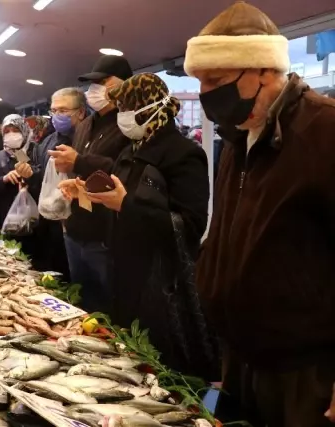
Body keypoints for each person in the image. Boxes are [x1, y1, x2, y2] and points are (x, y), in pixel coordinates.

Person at [184, 2, 335, 425]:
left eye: (215, 80)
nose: (206, 94)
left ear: (264, 70)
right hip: (241, 354)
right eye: (200, 82)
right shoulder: (241, 140)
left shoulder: (324, 133)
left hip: (304, 371)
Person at [59, 73, 217, 376]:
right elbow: (115, 199)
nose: (122, 118)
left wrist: (125, 205)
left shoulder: (185, 154)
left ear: (150, 109)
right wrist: (83, 192)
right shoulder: (130, 149)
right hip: (123, 270)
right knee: (129, 360)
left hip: (159, 283)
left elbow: (191, 225)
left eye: (127, 110)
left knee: (160, 366)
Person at [48, 55, 132, 313]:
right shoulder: (85, 125)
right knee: (80, 302)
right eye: (93, 83)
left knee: (109, 307)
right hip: (76, 228)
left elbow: (122, 169)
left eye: (103, 82)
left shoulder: (128, 124)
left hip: (104, 234)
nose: (95, 89)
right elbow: (80, 166)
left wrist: (80, 162)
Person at [28, 88, 88, 279]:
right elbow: (40, 176)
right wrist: (30, 173)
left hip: (81, 224)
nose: (56, 116)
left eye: (63, 111)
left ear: (81, 112)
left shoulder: (89, 140)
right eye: (54, 111)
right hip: (50, 221)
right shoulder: (47, 141)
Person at [0, 114, 39, 238]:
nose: (11, 134)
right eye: (7, 131)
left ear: (24, 131)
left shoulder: (35, 151)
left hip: (32, 219)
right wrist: (3, 179)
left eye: (16, 130)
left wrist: (26, 174)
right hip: (5, 218)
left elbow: (40, 175)